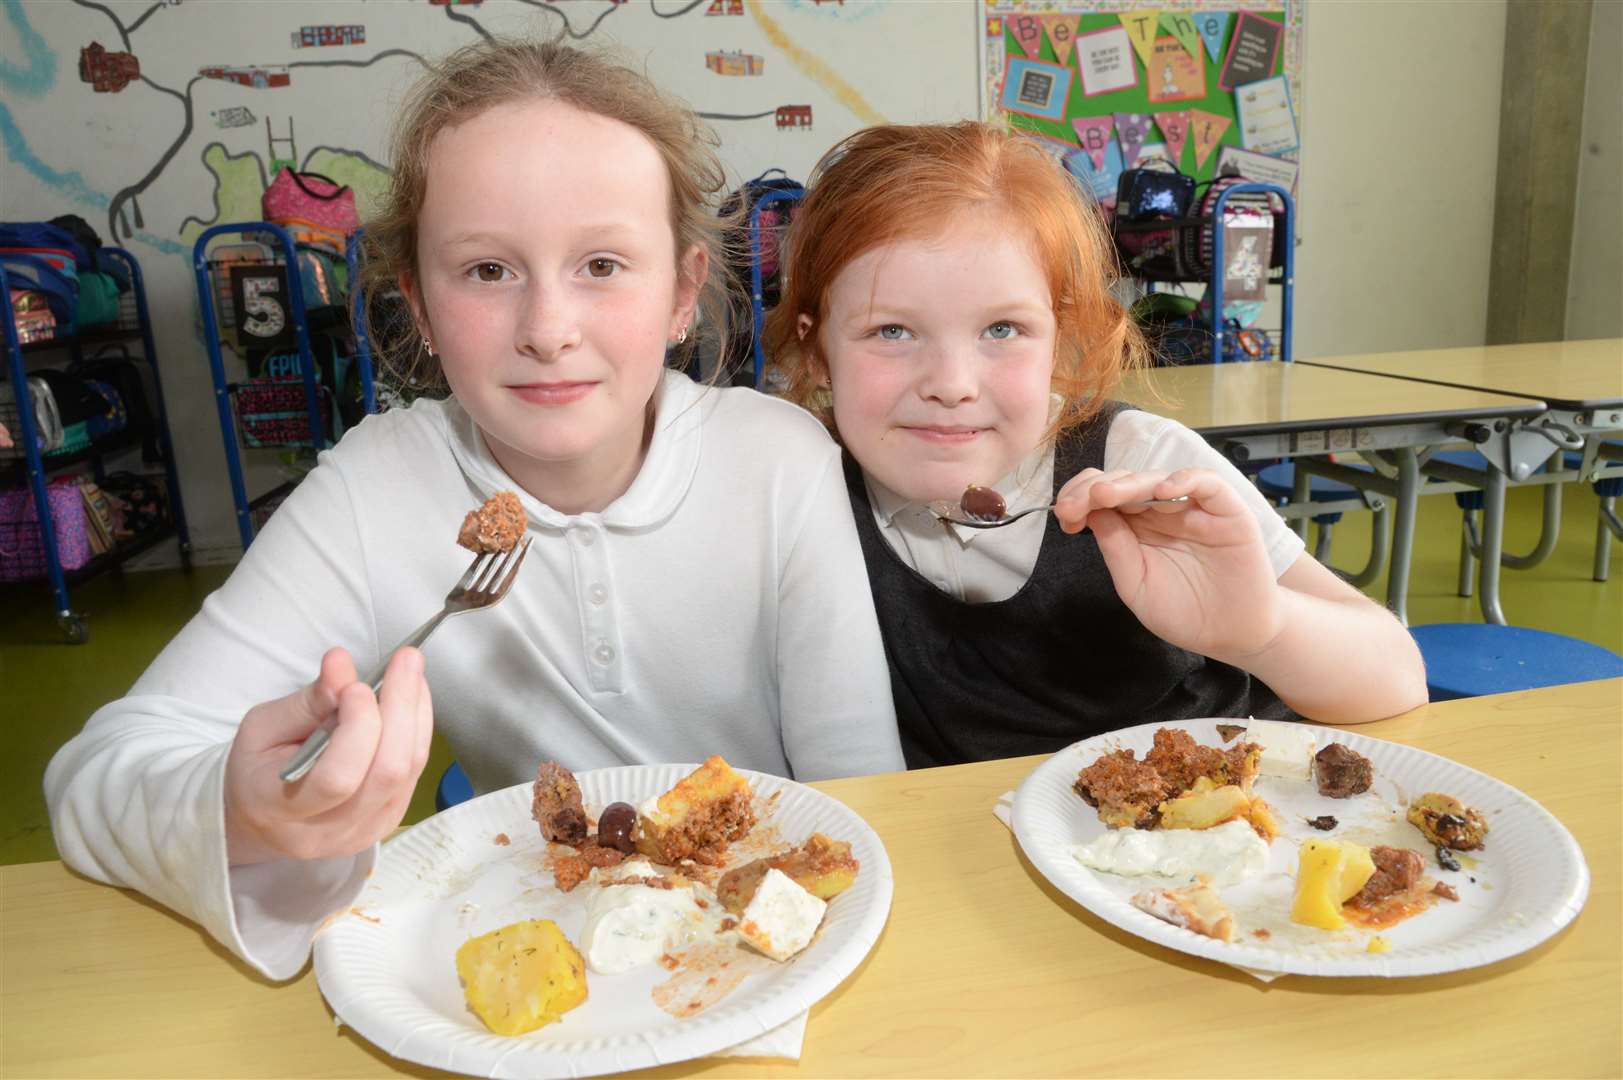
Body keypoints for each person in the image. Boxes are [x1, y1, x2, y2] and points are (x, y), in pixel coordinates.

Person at [45, 39, 902, 981]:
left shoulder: (778, 462)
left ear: (682, 293)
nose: (547, 329)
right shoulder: (377, 488)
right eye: (487, 271)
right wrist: (245, 812)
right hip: (563, 954)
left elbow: (861, 801)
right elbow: (99, 772)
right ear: (416, 301)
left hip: (768, 954)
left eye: (604, 264)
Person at [764, 122, 1427, 769]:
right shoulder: (805, 494)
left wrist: (1263, 629)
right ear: (817, 349)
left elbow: (1395, 680)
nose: (951, 384)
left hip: (1203, 851)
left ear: (1060, 335)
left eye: (1001, 328)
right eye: (891, 331)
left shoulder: (1142, 464)